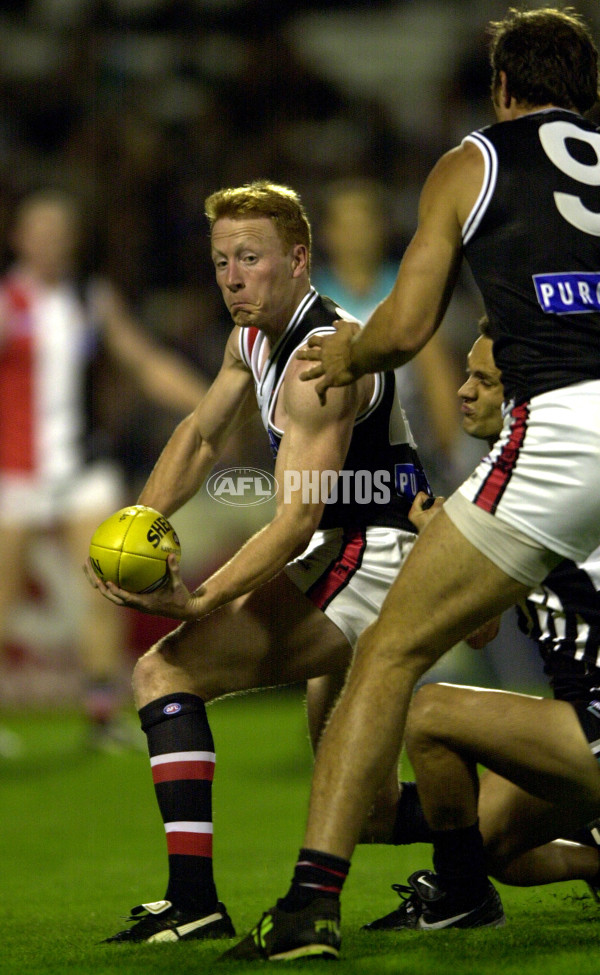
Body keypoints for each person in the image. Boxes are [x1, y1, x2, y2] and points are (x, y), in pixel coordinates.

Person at [220, 8, 600, 960]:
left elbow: (404, 328)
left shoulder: (477, 159)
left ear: (503, 87)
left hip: (559, 428)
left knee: (391, 658)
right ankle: (472, 877)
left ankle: (310, 903)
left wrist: (352, 353)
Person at [84, 179, 432, 943]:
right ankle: (498, 852)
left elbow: (296, 516)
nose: (233, 277)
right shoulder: (250, 338)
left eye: (251, 258)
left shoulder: (319, 359)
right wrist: (135, 525)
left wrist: (202, 599)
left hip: (376, 556)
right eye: (220, 261)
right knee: (366, 809)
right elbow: (202, 436)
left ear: (300, 260)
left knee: (164, 669)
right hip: (347, 554)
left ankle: (194, 900)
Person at [361, 321, 600, 930]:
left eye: (483, 380)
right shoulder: (522, 480)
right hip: (584, 717)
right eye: (466, 375)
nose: (463, 391)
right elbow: (479, 626)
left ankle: (460, 899)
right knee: (491, 844)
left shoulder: (547, 482)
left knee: (432, 712)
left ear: (522, 398)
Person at [0, 189, 206, 752]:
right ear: (19, 238)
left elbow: (142, 362)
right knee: (2, 599)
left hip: (81, 466)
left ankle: (100, 718)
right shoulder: (7, 301)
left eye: (58, 230)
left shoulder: (90, 298)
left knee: (106, 587)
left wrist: (212, 403)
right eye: (38, 230)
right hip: (14, 472)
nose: (49, 241)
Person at [312, 178, 462, 492]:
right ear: (327, 233)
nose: (356, 235)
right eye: (346, 224)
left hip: (406, 448)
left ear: (382, 227)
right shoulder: (311, 299)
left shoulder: (406, 290)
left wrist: (450, 450)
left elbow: (437, 376)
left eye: (364, 222)